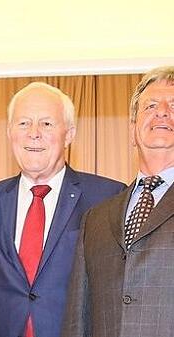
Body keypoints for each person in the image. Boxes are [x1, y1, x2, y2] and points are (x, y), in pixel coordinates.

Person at [0, 82, 125, 337]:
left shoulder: (108, 197)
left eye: (47, 124)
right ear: (9, 131)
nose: (34, 133)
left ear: (69, 134)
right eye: (23, 123)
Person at [62, 67, 174, 337]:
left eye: (173, 105)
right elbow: (78, 320)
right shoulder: (96, 219)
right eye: (150, 106)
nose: (161, 111)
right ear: (132, 130)